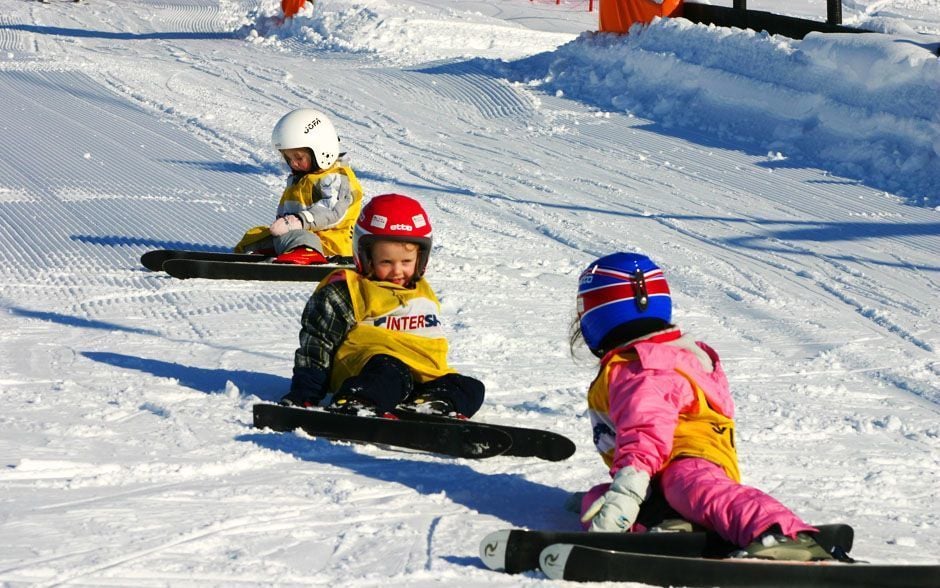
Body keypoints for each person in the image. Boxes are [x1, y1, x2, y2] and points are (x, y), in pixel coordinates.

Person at [572, 252, 833, 561]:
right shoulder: (640, 361)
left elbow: (645, 437)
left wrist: (625, 496)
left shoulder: (645, 369)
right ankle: (674, 525)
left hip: (691, 462)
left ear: (597, 313)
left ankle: (780, 534)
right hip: (658, 476)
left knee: (688, 486)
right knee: (596, 499)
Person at [280, 193, 485, 419]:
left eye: (406, 262)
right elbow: (318, 342)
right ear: (366, 256)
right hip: (370, 370)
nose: (397, 271)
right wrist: (305, 392)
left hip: (422, 373)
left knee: (471, 388)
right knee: (390, 371)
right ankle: (358, 401)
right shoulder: (351, 290)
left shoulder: (422, 290)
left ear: (421, 258)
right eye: (386, 262)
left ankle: (430, 406)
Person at [234, 108, 363, 265]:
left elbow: (332, 210)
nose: (293, 163)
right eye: (288, 158)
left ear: (322, 150)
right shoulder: (299, 179)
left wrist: (298, 221)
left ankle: (306, 253)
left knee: (300, 237)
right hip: (300, 237)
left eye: (299, 157)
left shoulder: (336, 177)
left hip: (331, 244)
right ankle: (259, 255)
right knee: (254, 236)